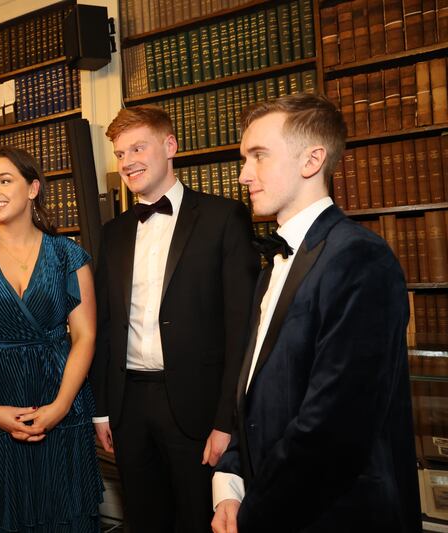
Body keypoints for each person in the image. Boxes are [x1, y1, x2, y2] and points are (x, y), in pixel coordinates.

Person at [212, 93, 421, 533]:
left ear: (312, 160)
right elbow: (253, 391)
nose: (243, 174)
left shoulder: (361, 259)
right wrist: (229, 484)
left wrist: (253, 514)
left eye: (259, 156)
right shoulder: (272, 265)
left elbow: (333, 430)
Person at [90, 105, 259, 532]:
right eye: (120, 153)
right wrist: (102, 410)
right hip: (128, 405)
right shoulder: (112, 234)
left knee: (197, 521)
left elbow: (243, 328)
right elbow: (105, 326)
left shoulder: (224, 218)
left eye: (138, 147)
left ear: (170, 146)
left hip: (197, 408)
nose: (127, 161)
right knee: (143, 520)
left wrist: (227, 421)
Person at [0, 146, 103, 531]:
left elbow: (85, 335)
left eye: (5, 180)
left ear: (33, 188)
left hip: (58, 405)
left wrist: (60, 406)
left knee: (62, 518)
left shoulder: (68, 255)